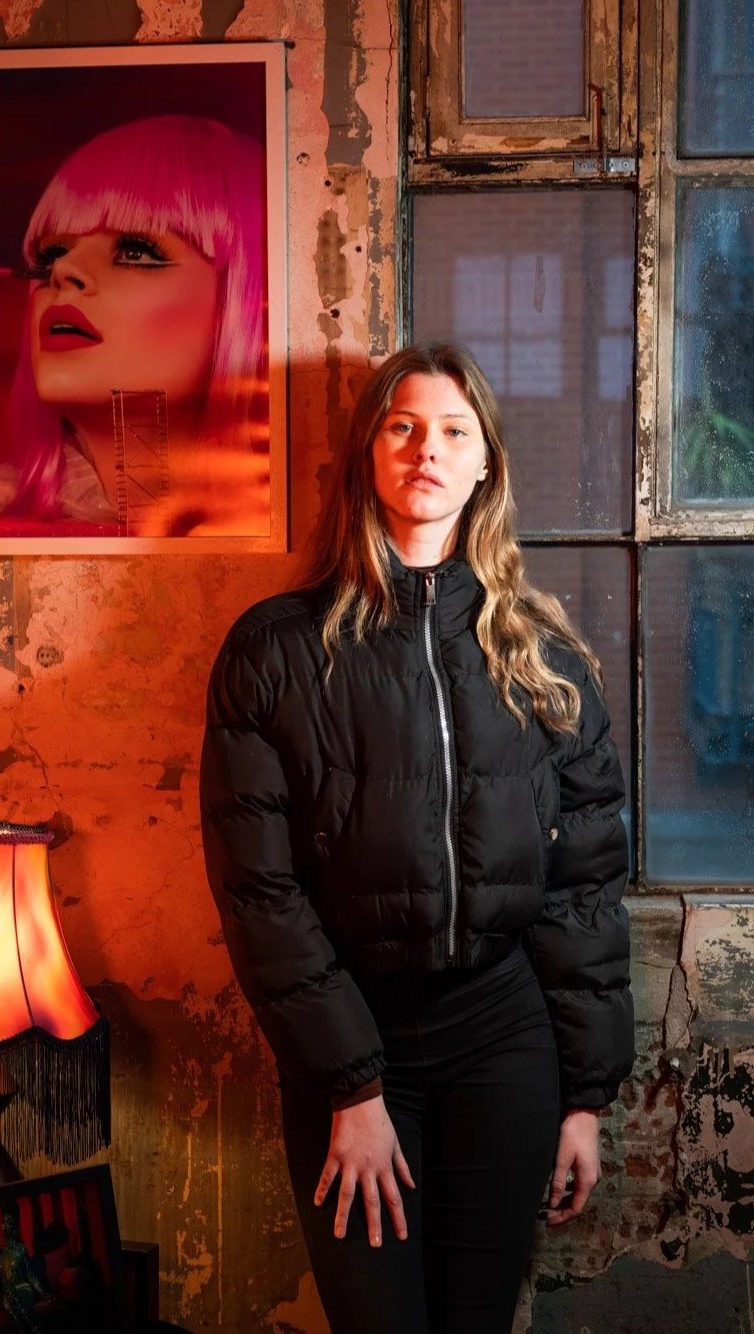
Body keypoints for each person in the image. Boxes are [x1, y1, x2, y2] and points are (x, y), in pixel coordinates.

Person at [199, 343, 634, 1333]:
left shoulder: (545, 656)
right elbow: (258, 890)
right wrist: (352, 1084)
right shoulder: (275, 651)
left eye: (451, 431)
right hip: (358, 1044)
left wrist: (583, 1097)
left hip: (503, 1042)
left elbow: (585, 887)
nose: (425, 450)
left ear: (484, 465)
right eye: (401, 426)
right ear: (367, 453)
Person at [0, 113, 269, 538]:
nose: (62, 271)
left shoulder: (299, 524)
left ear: (247, 295)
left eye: (136, 252)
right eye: (50, 255)